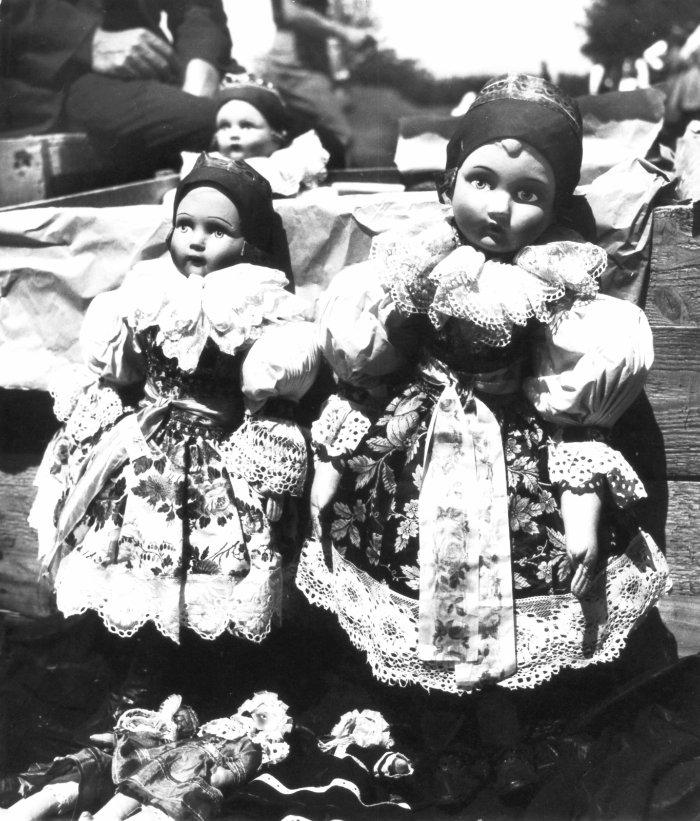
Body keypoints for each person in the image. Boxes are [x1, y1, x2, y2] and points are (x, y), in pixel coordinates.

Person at [297, 74, 670, 795]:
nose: (499, 206)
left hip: (511, 449)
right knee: (419, 581)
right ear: (450, 182)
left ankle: (507, 727)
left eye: (528, 192)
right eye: (482, 180)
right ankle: (439, 729)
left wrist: (582, 507)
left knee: (508, 588)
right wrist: (334, 462)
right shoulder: (421, 266)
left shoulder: (550, 283)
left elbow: (568, 402)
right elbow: (370, 374)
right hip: (418, 441)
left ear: (555, 205)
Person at [29, 153, 320, 646]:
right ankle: (144, 653)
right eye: (185, 224)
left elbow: (270, 377)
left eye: (217, 229)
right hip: (147, 438)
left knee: (213, 553)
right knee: (134, 545)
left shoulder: (257, 298)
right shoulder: (149, 289)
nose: (197, 239)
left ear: (247, 240)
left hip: (216, 446)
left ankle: (206, 655)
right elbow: (122, 364)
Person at [0, 0, 234, 182]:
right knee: (222, 124)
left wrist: (199, 81)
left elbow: (197, 7)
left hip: (151, 72)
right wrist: (88, 41)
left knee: (252, 110)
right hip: (47, 81)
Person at [5, 692, 292, 821]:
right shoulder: (207, 730)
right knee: (134, 788)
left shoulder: (249, 747)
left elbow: (236, 770)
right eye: (255, 709)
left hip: (192, 779)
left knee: (164, 807)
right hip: (161, 763)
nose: (253, 714)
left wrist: (215, 775)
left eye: (264, 715)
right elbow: (170, 741)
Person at [264, 0, 377, 168]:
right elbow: (293, 14)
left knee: (310, 136)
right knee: (340, 135)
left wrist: (339, 78)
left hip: (311, 67)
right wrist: (345, 32)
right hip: (294, 68)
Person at [179, 72, 330, 197]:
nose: (234, 134)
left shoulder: (284, 166)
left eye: (246, 126)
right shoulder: (210, 166)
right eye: (224, 127)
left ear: (276, 135)